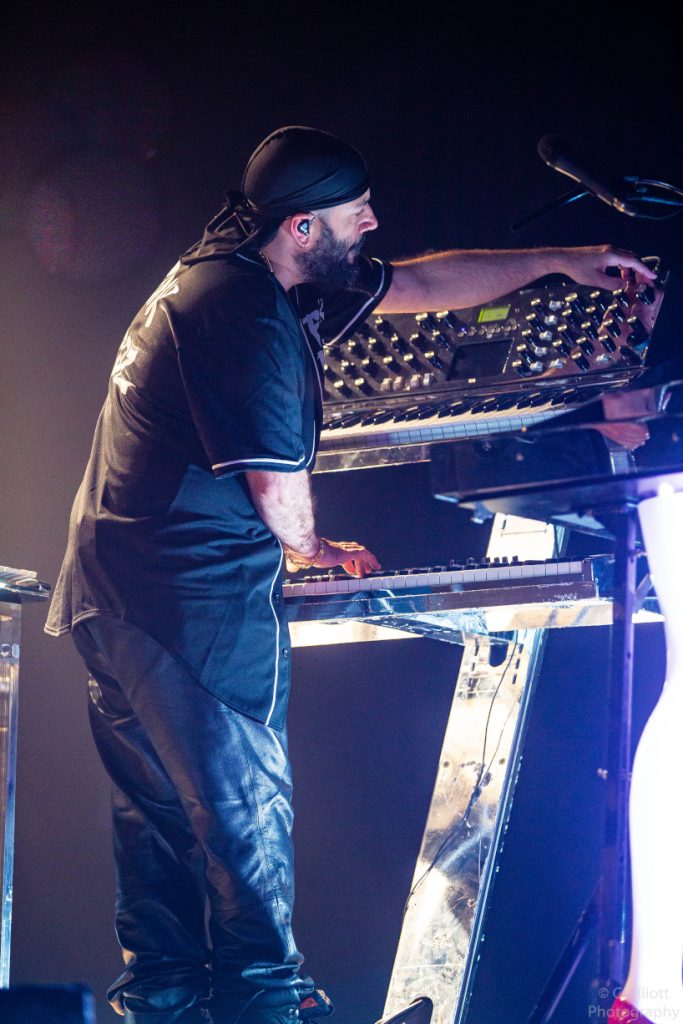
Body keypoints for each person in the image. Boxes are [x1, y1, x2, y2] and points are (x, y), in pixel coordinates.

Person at [44, 125, 656, 1024]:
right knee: (243, 818)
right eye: (354, 210)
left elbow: (416, 285)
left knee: (159, 828)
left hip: (113, 594)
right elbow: (274, 483)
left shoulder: (239, 271)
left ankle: (163, 1006)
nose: (371, 221)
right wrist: (313, 548)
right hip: (187, 598)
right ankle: (266, 1006)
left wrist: (561, 261)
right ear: (301, 227)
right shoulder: (245, 311)